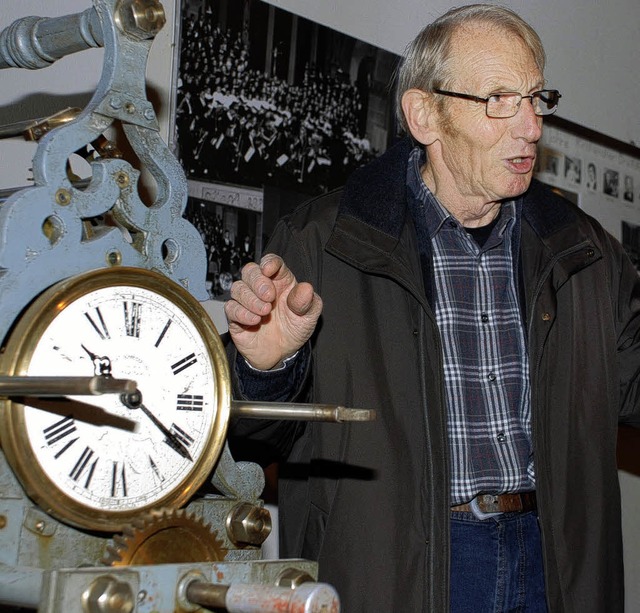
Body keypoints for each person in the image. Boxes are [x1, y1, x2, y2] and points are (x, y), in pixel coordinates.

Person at [224, 4, 640, 612]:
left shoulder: (582, 249)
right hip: (404, 567)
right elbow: (257, 440)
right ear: (425, 115)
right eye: (499, 99)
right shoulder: (324, 239)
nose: (530, 126)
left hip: (554, 561)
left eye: (535, 98)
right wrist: (267, 371)